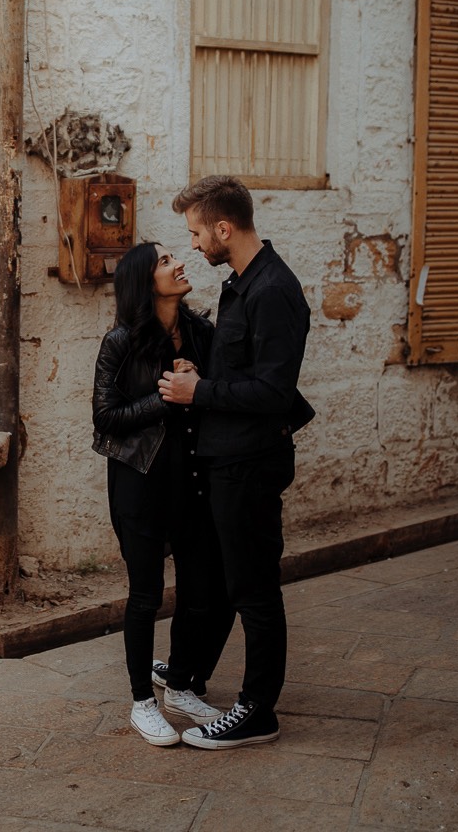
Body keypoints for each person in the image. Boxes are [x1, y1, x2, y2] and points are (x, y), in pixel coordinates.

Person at [158, 175, 312, 750]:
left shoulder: (273, 290)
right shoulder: (241, 283)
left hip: (250, 463)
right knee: (234, 583)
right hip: (227, 460)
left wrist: (199, 394)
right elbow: (244, 375)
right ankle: (209, 685)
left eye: (197, 232)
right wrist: (206, 380)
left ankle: (256, 711)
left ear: (224, 228)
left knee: (255, 591)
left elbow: (272, 391)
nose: (195, 244)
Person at [92, 242, 235, 747]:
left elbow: (220, 387)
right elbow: (104, 419)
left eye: (176, 255)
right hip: (140, 483)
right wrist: (164, 400)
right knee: (146, 597)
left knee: (200, 592)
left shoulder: (199, 331)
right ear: (144, 281)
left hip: (193, 482)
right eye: (165, 260)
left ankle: (178, 686)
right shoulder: (121, 342)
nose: (179, 263)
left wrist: (202, 382)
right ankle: (143, 703)